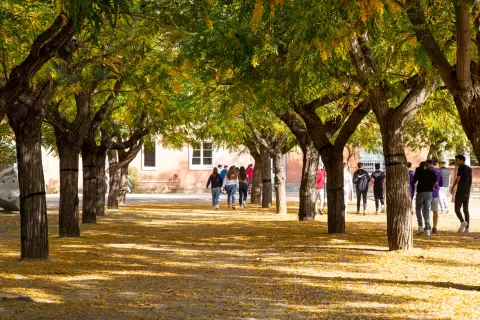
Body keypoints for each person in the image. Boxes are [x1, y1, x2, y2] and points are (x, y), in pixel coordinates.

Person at [413, 161, 438, 237]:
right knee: (427, 210)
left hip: (420, 192)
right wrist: (430, 186)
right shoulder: (432, 171)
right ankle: (427, 229)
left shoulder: (418, 170)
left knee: (418, 209)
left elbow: (414, 181)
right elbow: (436, 182)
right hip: (429, 192)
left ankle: (420, 226)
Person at [450, 155, 472, 233]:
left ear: (462, 160)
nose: (456, 162)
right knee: (466, 209)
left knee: (457, 209)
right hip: (467, 191)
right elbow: (470, 180)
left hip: (461, 191)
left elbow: (458, 178)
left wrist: (453, 186)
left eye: (457, 160)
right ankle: (467, 228)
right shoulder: (469, 168)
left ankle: (463, 222)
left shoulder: (461, 167)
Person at [427, 159, 443, 234]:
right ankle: (435, 227)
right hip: (435, 193)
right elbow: (441, 183)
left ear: (428, 164)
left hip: (426, 192)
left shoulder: (425, 171)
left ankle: (427, 225)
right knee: (435, 211)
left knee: (425, 210)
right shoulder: (438, 172)